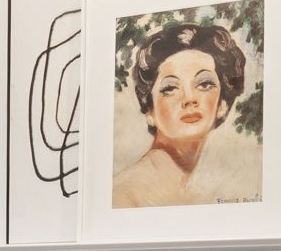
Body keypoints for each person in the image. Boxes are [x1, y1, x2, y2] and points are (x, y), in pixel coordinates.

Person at [111, 21, 262, 208]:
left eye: (204, 84)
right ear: (150, 111)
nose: (190, 99)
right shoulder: (125, 196)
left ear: (222, 104)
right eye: (170, 88)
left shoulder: (197, 196)